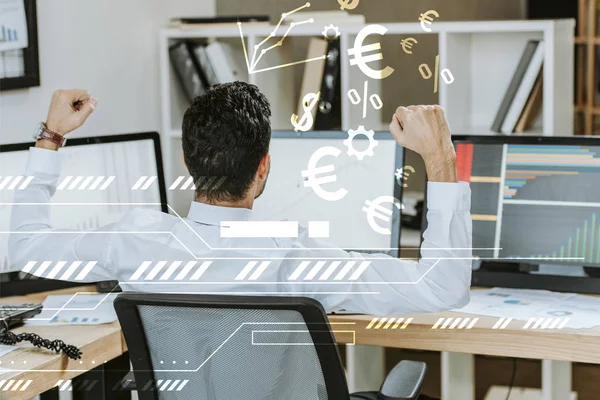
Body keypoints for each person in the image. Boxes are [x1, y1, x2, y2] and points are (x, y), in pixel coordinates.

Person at [9, 82, 472, 315]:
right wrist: (440, 159)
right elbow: (443, 288)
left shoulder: (136, 238)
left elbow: (24, 244)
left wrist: (50, 137)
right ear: (263, 167)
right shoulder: (298, 256)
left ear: (188, 163)